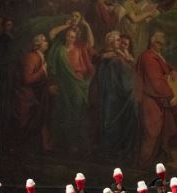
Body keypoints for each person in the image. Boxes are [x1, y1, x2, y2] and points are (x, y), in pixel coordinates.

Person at [136, 31, 177, 164]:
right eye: (157, 43)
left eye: (162, 43)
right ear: (151, 42)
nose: (160, 46)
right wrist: (171, 95)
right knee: (152, 130)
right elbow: (156, 81)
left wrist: (173, 71)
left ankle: (161, 156)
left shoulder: (157, 55)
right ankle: (145, 162)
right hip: (152, 98)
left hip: (160, 97)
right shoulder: (148, 57)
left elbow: (166, 69)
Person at [48, 19, 95, 151]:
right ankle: (61, 141)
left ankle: (74, 142)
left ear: (76, 38)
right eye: (68, 36)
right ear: (65, 36)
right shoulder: (59, 49)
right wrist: (67, 25)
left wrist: (87, 25)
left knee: (77, 112)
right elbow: (51, 34)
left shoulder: (80, 48)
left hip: (77, 83)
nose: (70, 38)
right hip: (63, 84)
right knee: (62, 111)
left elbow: (91, 45)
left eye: (73, 36)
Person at [91, 31, 138, 155]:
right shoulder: (109, 56)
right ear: (111, 42)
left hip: (117, 92)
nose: (120, 42)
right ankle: (109, 149)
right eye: (118, 40)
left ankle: (118, 148)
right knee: (109, 119)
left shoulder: (118, 55)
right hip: (110, 93)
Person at [12, 34, 54, 152]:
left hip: (36, 94)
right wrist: (42, 71)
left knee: (44, 115)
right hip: (26, 96)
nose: (47, 43)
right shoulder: (32, 57)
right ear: (38, 44)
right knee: (27, 122)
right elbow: (27, 79)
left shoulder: (40, 57)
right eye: (44, 41)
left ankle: (43, 145)